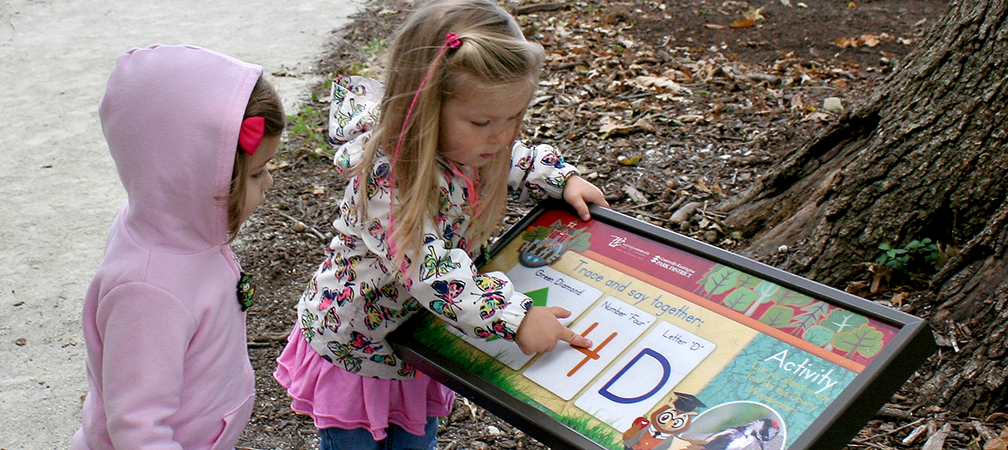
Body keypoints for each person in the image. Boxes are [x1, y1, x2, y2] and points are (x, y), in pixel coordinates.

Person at [273, 0, 609, 448]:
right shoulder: (389, 175)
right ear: (425, 106)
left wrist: (560, 178)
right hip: (356, 344)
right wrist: (515, 317)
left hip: (414, 339)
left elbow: (517, 158)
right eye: (484, 121)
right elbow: (431, 271)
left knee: (416, 440)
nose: (502, 135)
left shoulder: (472, 145)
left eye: (513, 118)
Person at [72, 45, 285, 450]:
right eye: (257, 172)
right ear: (195, 182)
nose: (269, 183)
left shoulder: (178, 226)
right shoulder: (149, 291)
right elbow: (139, 428)